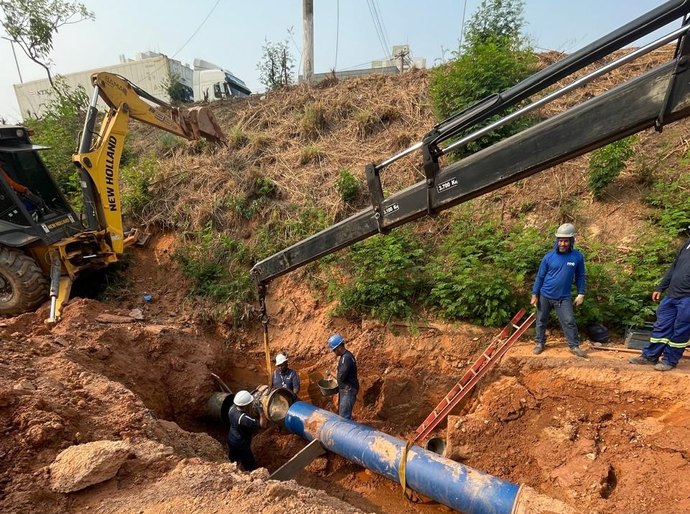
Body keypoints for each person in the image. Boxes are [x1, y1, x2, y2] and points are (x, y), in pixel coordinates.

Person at [629, 237, 690, 371]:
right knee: (661, 326)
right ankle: (650, 356)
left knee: (681, 331)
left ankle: (669, 360)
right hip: (672, 295)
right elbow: (674, 267)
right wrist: (661, 287)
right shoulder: (686, 245)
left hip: (687, 299)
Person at [530, 223, 587, 358]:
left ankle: (574, 346)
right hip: (545, 295)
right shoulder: (548, 257)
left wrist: (581, 293)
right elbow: (540, 276)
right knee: (541, 320)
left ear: (571, 241)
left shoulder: (577, 257)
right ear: (556, 241)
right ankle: (539, 343)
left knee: (569, 321)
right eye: (560, 240)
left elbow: (580, 276)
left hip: (563, 297)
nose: (562, 243)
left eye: (565, 241)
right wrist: (534, 294)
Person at [226, 389, 266, 471]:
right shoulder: (244, 418)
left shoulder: (232, 408)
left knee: (233, 460)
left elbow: (241, 401)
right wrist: (261, 412)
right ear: (246, 405)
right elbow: (263, 425)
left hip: (231, 439)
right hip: (241, 444)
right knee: (250, 465)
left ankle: (233, 470)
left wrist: (255, 391)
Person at [327, 334, 359, 420]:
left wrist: (331, 373)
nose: (334, 352)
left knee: (344, 418)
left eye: (334, 350)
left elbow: (341, 377)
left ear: (339, 347)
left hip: (348, 390)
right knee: (344, 415)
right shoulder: (345, 357)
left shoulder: (346, 358)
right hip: (346, 390)